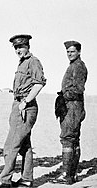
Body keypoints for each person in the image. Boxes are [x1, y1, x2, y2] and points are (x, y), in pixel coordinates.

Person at [0, 34, 46, 188]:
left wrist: (26, 101)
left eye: (21, 47)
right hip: (19, 104)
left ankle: (5, 180)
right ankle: (26, 179)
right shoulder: (22, 63)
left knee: (10, 146)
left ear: (28, 46)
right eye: (16, 48)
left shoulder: (33, 62)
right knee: (24, 145)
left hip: (26, 107)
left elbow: (39, 83)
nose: (18, 50)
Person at [54, 40, 87, 184]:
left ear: (79, 52)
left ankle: (67, 174)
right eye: (68, 52)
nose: (69, 54)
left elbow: (78, 89)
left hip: (72, 107)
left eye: (72, 51)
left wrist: (63, 96)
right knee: (73, 139)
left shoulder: (78, 66)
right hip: (72, 106)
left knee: (67, 139)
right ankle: (71, 174)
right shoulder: (74, 65)